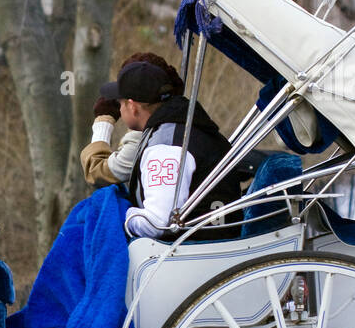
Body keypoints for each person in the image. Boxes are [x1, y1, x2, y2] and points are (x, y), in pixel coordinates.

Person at [81, 52, 241, 240]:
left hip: (196, 248)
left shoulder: (165, 147)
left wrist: (123, 216)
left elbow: (156, 223)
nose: (119, 108)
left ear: (132, 107)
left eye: (120, 103)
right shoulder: (183, 125)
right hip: (215, 238)